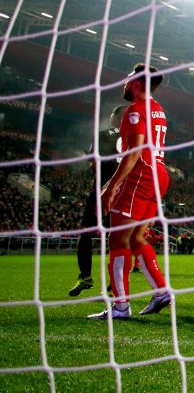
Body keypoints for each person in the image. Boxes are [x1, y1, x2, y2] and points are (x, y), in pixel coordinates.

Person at [88, 63, 172, 320]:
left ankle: (121, 306)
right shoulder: (158, 110)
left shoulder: (135, 111)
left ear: (136, 83)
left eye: (127, 80)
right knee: (136, 239)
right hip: (159, 174)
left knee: (118, 241)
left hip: (141, 176)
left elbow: (135, 152)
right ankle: (161, 292)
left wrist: (111, 186)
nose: (124, 84)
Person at [69, 105, 124, 297]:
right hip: (123, 194)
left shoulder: (103, 135)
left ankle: (85, 276)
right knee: (117, 239)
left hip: (102, 191)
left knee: (85, 233)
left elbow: (94, 166)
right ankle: (114, 286)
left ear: (115, 117)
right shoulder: (136, 138)